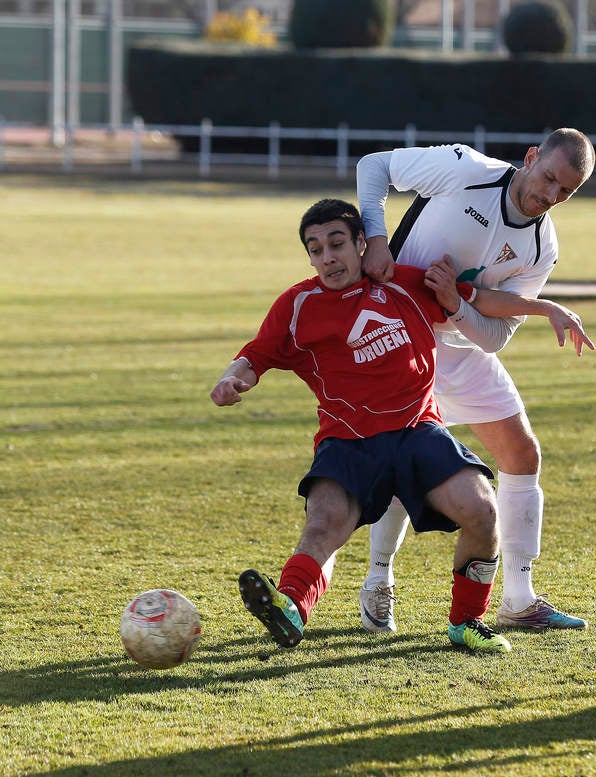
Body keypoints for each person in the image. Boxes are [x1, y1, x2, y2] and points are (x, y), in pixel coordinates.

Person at [210, 198, 529, 654]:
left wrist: (545, 309)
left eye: (337, 244)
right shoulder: (298, 305)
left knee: (483, 511)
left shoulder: (406, 283)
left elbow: (484, 301)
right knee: (324, 524)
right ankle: (290, 610)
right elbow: (255, 356)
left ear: (362, 243)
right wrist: (231, 379)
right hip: (348, 441)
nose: (327, 258)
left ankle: (467, 623)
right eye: (315, 250)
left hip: (418, 430)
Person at [355, 128, 596, 634]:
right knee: (408, 461)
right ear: (531, 157)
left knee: (522, 454)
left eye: (566, 192)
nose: (549, 196)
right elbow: (373, 167)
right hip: (399, 339)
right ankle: (378, 581)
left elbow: (493, 336)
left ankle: (519, 598)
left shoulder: (542, 245)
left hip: (460, 349)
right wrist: (377, 239)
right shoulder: (466, 169)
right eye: (549, 177)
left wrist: (457, 305)